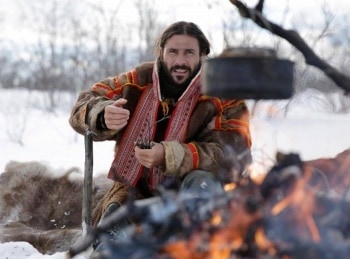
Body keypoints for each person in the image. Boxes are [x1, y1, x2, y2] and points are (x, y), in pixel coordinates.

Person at [69, 21, 252, 245]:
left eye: (189, 53)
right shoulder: (137, 81)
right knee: (111, 242)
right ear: (161, 52)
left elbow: (235, 153)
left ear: (203, 55)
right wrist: (101, 114)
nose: (180, 61)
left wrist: (170, 155)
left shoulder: (225, 94)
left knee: (200, 185)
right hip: (134, 187)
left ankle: (200, 242)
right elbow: (83, 103)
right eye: (173, 52)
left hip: (192, 189)